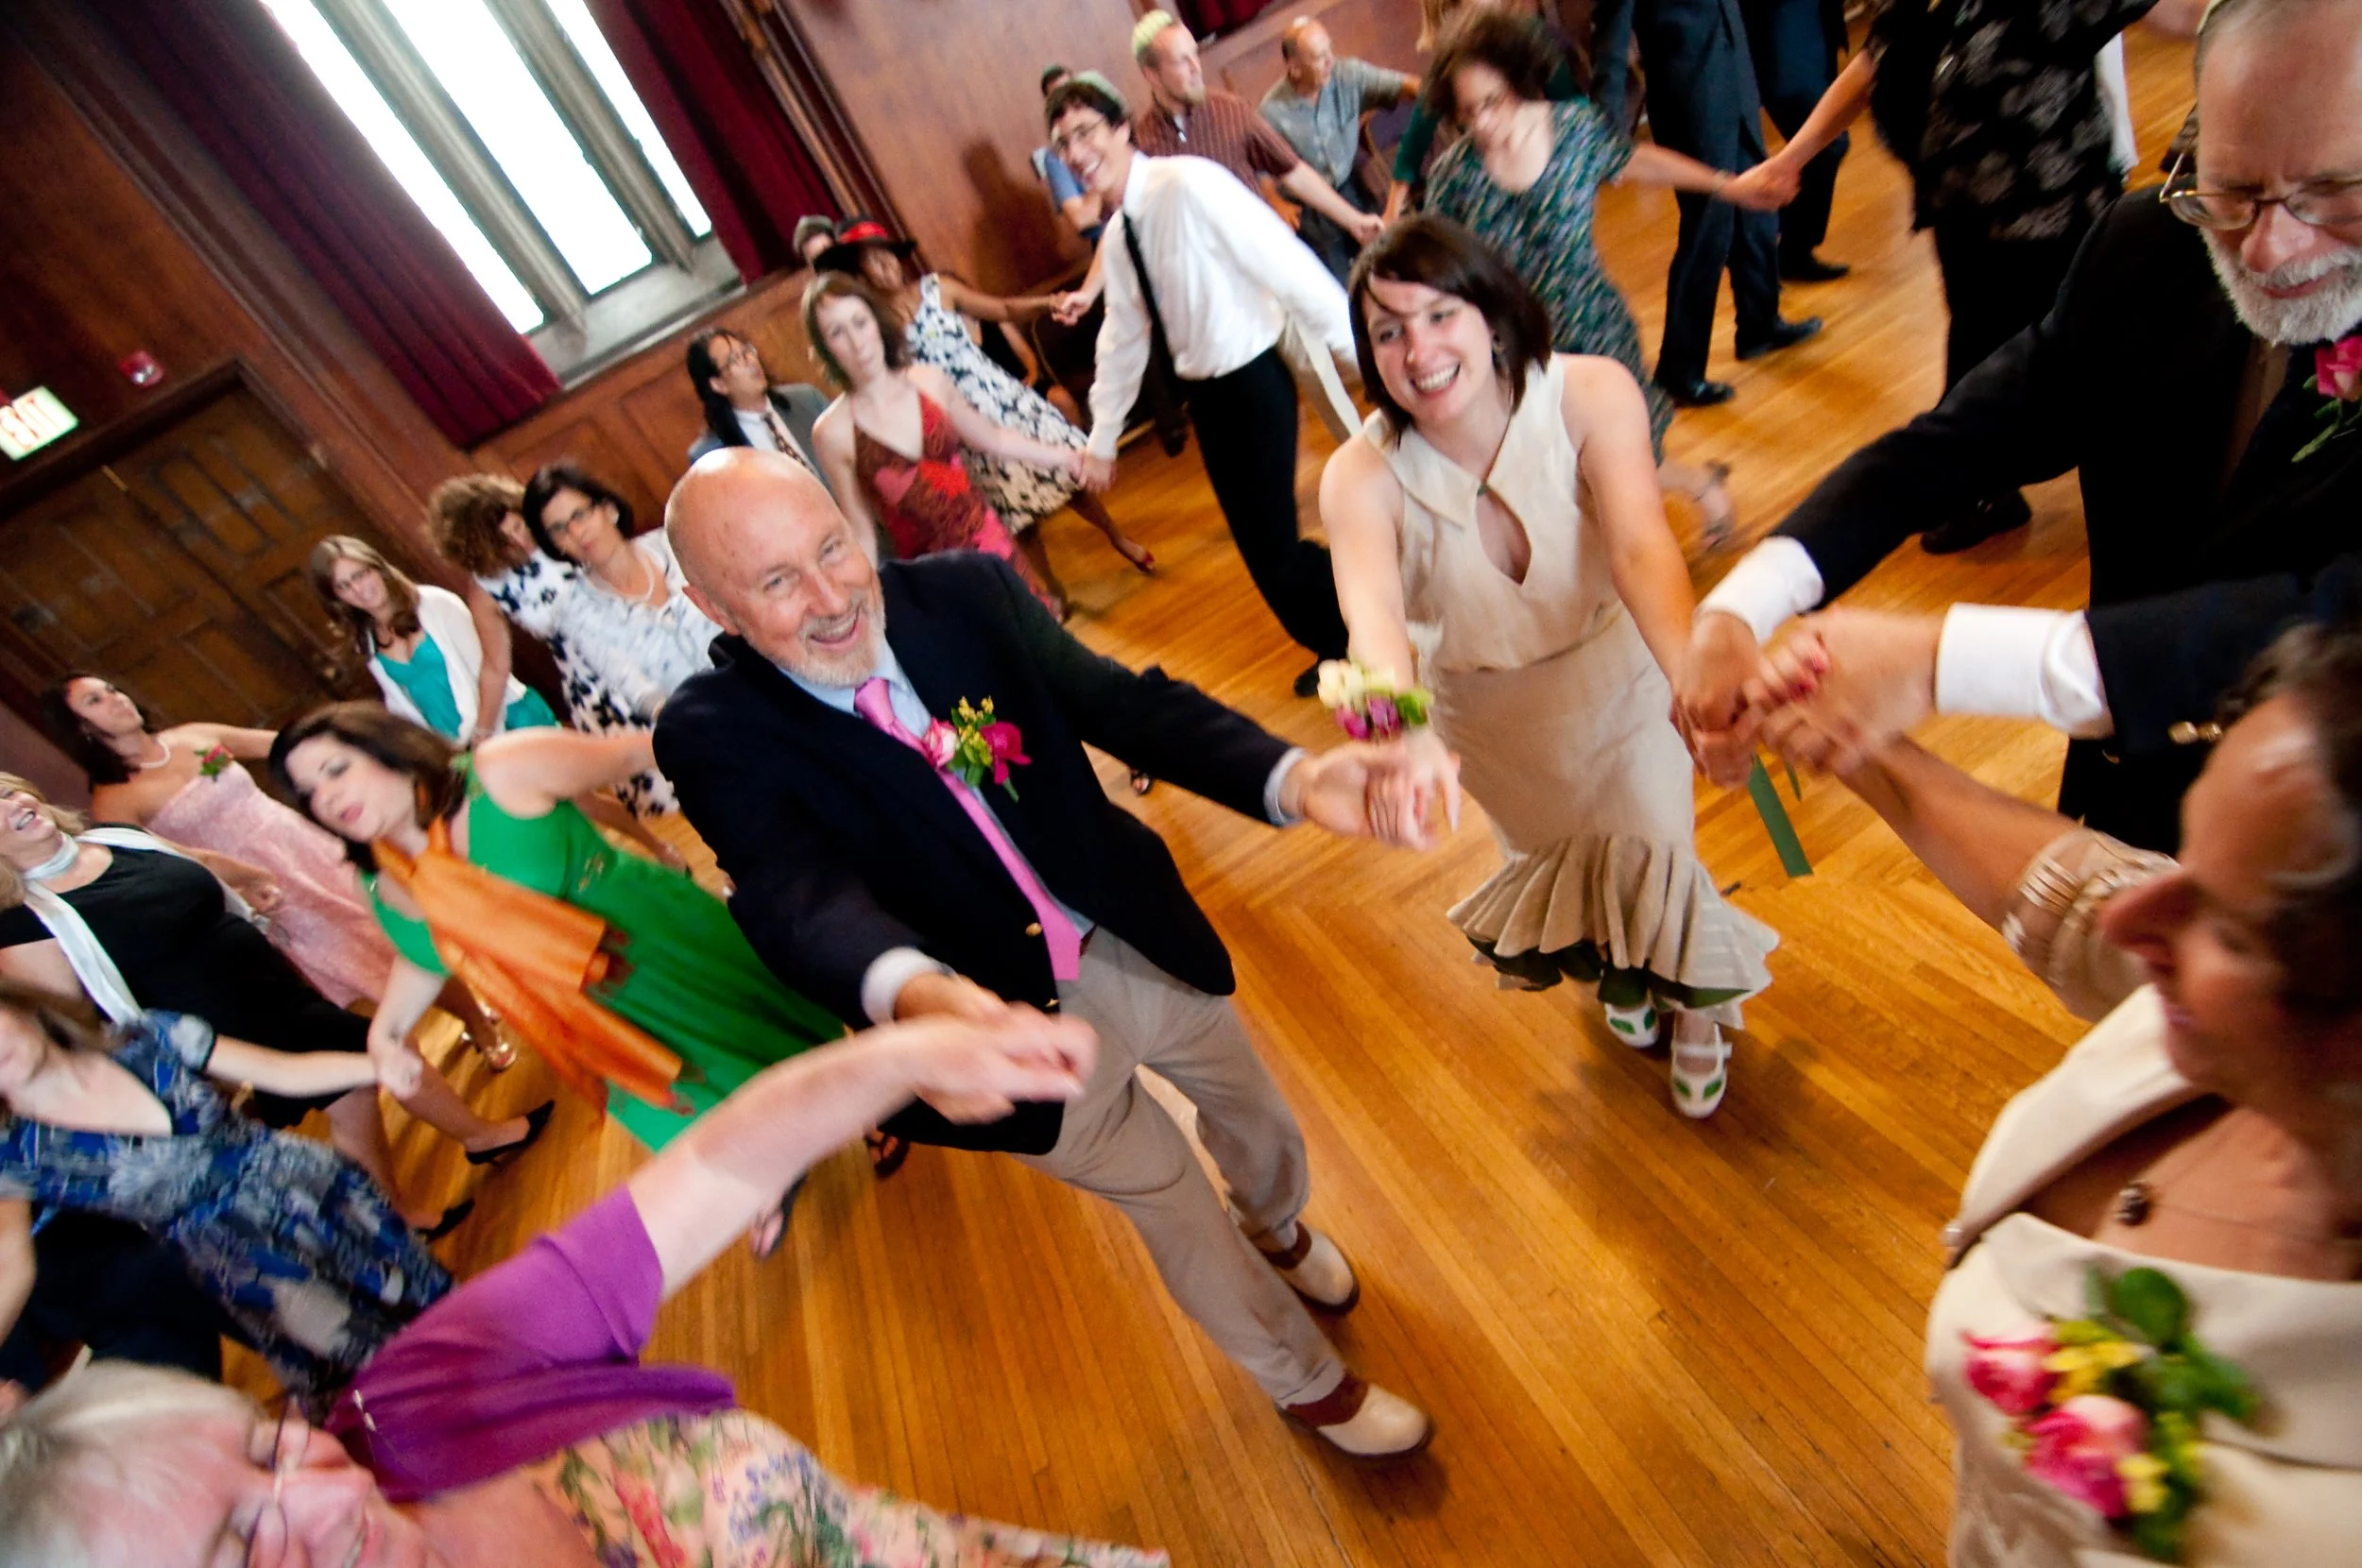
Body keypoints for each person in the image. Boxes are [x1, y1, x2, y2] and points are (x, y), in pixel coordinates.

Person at [656, 450, 1444, 1458]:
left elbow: (1124, 705)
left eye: (832, 549)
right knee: (1174, 1209)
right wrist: (920, 996)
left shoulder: (964, 594)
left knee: (1258, 1117)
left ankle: (1277, 1223)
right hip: (1003, 1038)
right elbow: (798, 898)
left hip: (1129, 932)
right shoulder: (712, 735)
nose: (832, 597)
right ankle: (1308, 1385)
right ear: (712, 606)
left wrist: (1291, 779)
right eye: (777, 582)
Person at [0, 1014, 1176, 1568]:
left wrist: (901, 1058)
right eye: (236, 1544)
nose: (316, 1492)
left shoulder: (417, 1396)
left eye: (266, 1448)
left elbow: (710, 1172)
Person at [1677, 0, 2362, 854]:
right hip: (2125, 796)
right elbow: (1960, 440)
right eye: (2230, 190)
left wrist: (1940, 663)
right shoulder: (2151, 246)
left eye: (2328, 194)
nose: (2265, 248)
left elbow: (2322, 620)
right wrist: (1744, 604)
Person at [1783, 622, 2362, 1564]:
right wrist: (1855, 742)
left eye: (2227, 926)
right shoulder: (2234, 1025)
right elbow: (2071, 896)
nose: (2137, 914)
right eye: (2184, 855)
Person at [1324, 217, 1777, 1115]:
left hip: (1620, 689)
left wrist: (1687, 676)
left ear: (1489, 315)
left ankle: (1699, 1012)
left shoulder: (1587, 393)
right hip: (1494, 730)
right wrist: (1403, 731)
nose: (1419, 351)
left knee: (1660, 858)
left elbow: (1642, 548)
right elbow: (1372, 618)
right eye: (1389, 332)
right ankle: (1624, 975)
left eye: (1439, 316)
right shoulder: (1359, 476)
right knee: (1565, 871)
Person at [272, 706, 847, 1253]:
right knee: (686, 1103)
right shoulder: (377, 882)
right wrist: (386, 1033)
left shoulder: (501, 771)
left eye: (336, 769)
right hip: (581, 1021)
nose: (328, 797)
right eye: (309, 792)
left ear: (385, 747)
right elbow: (427, 956)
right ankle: (765, 1169)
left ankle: (866, 1105)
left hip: (660, 950)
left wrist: (782, 812)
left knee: (772, 1043)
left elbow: (645, 750)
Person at [0, 773, 539, 1218]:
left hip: (268, 985)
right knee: (377, 1051)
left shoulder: (112, 839)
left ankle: (393, 1212)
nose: (12, 806)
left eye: (7, 793)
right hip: (219, 1024)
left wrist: (251, 878)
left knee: (351, 1094)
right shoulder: (25, 923)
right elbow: (71, 1020)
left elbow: (195, 861)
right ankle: (479, 1138)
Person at [1745, 0, 2164, 552]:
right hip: (1963, 218)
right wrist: (1790, 160)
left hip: (2050, 220)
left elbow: (2176, 13)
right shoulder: (1922, 5)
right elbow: (1870, 67)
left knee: (2080, 367)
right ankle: (1988, 493)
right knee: (1984, 357)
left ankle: (2133, 508)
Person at [1422, 9, 1794, 542]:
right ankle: (1669, 513)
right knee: (1568, 469)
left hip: (1594, 328)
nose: (1480, 123)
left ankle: (1695, 492)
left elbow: (1634, 162)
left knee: (1619, 459)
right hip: (1521, 350)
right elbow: (1437, 265)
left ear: (1516, 83)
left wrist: (1726, 185)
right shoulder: (1455, 176)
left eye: (1491, 103)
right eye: (1466, 112)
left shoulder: (1572, 131)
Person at [1047, 73, 1358, 695]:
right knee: (1259, 549)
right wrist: (1102, 439)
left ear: (1121, 127)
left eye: (1085, 132)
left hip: (1253, 380)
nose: (1076, 154)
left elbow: (1285, 263)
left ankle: (1360, 625)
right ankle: (1339, 639)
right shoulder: (1122, 232)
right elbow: (1123, 337)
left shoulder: (1188, 184)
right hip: (1208, 398)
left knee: (1273, 545)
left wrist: (1359, 351)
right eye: (1063, 144)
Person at [0, 988, 449, 1412]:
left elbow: (280, 1070)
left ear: (18, 1004)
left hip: (321, 1195)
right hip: (248, 1264)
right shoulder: (16, 1156)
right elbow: (12, 1262)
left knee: (435, 1312)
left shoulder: (148, 1035)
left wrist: (378, 1068)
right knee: (373, 1364)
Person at [41, 673, 507, 1069]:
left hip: (309, 848)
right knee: (355, 959)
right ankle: (405, 1058)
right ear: (81, 729)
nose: (115, 699)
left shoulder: (192, 737)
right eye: (95, 700)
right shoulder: (114, 802)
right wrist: (240, 885)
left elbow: (286, 750)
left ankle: (478, 1020)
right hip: (263, 888)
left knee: (398, 933)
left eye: (111, 689)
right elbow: (167, 862)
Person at [814, 219, 1157, 595]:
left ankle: (1117, 538)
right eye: (870, 261)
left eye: (888, 256)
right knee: (1017, 514)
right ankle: (1049, 589)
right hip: (951, 422)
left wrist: (1048, 303)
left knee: (1068, 482)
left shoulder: (938, 289)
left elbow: (1003, 308)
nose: (884, 266)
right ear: (859, 273)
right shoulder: (875, 327)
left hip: (999, 399)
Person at [1591, 0, 1823, 407]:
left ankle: (1760, 324)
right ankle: (1679, 370)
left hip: (1735, 80)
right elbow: (1611, 38)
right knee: (1707, 232)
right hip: (1690, 98)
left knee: (1758, 210)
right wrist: (1606, 135)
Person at [803, 273, 1074, 615]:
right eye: (837, 332)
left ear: (876, 321)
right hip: (932, 577)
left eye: (860, 322)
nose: (857, 342)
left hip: (992, 547)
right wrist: (864, 608)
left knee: (1035, 633)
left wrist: (1068, 456)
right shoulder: (832, 431)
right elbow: (863, 530)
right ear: (824, 348)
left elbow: (993, 438)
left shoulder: (929, 381)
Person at [1129, 10, 1386, 262]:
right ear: (1152, 75)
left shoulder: (1230, 110)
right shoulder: (1143, 148)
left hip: (1263, 260)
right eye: (1181, 61)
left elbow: (1293, 171)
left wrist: (1354, 220)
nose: (1196, 67)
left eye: (1195, 54)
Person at [307, 537, 556, 744]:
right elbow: (403, 709)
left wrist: (483, 733)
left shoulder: (436, 604)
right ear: (336, 598)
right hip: (457, 745)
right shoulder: (366, 642)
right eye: (344, 586)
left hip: (508, 719)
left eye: (361, 575)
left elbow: (490, 669)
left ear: (378, 567)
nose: (359, 590)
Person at [1384, 0, 1583, 223]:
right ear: (1453, 14)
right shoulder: (1449, 71)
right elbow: (1413, 145)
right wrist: (1392, 211)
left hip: (1550, 169)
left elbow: (1572, 106)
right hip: (1495, 186)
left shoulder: (1528, 34)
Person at [1259, 16, 1420, 282]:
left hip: (1350, 184)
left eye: (1330, 50)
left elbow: (1404, 85)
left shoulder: (1348, 74)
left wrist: (1432, 98)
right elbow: (1260, 168)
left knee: (1391, 258)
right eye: (1319, 57)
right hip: (1310, 209)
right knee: (1341, 280)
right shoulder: (1271, 111)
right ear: (1294, 69)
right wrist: (1277, 203)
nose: (1330, 62)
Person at [1739, 0, 1850, 282]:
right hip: (1778, 22)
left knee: (1827, 140)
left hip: (1808, 18)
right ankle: (1782, 251)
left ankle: (1787, 250)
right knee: (1827, 141)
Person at [683, 327, 832, 486]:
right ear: (718, 384)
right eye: (735, 359)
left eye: (746, 351)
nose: (750, 361)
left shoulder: (808, 399)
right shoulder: (711, 456)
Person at [1034, 63, 1111, 248]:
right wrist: (1101, 176)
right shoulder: (1056, 157)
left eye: (1070, 92)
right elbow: (1082, 219)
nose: (1066, 104)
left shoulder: (1109, 127)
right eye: (1057, 98)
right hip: (1106, 240)